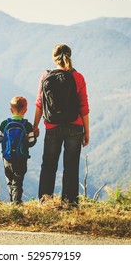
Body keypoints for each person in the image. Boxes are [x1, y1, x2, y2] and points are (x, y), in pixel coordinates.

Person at [33, 43, 90, 206]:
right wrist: (87, 131)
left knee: (49, 165)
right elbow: (83, 106)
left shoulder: (45, 76)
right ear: (70, 56)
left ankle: (45, 202)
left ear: (54, 58)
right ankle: (70, 202)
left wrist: (35, 125)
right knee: (71, 166)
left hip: (52, 126)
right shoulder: (78, 77)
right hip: (75, 126)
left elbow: (39, 103)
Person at [0, 96, 37, 204]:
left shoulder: (4, 124)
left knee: (9, 180)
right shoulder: (27, 125)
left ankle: (13, 200)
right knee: (18, 181)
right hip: (21, 158)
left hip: (7, 158)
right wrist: (34, 134)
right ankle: (17, 202)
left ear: (11, 110)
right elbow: (31, 143)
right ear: (25, 111)